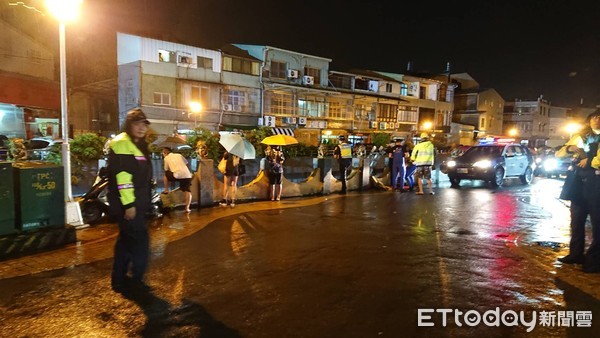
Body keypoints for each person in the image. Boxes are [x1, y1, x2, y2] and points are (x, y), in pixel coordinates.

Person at [106, 108, 153, 294]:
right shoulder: (123, 144)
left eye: (144, 124)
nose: (141, 128)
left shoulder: (136, 144)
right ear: (128, 125)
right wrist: (129, 205)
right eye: (137, 124)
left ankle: (119, 280)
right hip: (129, 206)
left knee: (125, 243)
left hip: (133, 204)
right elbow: (123, 178)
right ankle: (136, 281)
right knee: (141, 243)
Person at [556, 110, 600, 272]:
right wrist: (570, 150)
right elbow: (559, 153)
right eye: (594, 117)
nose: (596, 120)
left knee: (597, 222)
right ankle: (575, 254)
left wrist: (589, 160)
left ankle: (594, 260)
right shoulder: (581, 136)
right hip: (578, 182)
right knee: (576, 220)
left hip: (596, 181)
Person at [162, 147, 193, 213]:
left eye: (163, 153)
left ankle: (166, 190)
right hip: (187, 175)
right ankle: (187, 208)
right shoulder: (179, 155)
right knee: (188, 191)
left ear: (166, 152)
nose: (162, 154)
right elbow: (186, 163)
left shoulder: (166, 158)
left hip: (177, 175)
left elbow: (166, 170)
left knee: (165, 175)